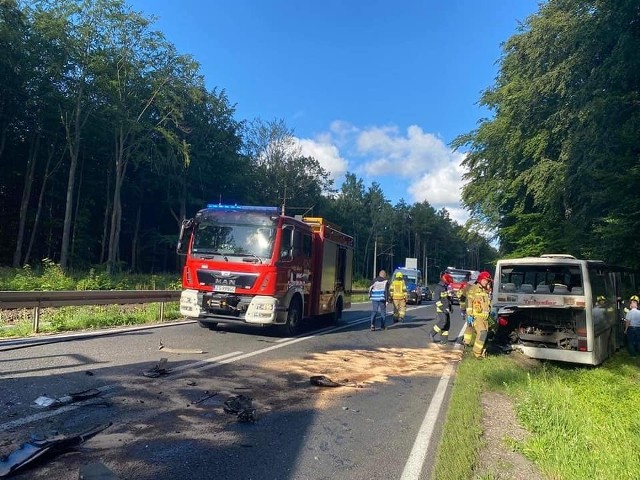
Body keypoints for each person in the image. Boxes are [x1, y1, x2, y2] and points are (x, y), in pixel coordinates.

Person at [466, 271, 492, 358]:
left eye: (487, 281)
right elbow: (469, 302)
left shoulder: (485, 290)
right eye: (485, 280)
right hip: (477, 317)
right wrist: (469, 314)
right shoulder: (473, 288)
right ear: (480, 279)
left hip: (485, 318)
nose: (486, 282)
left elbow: (487, 304)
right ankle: (477, 353)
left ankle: (482, 353)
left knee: (485, 335)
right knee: (482, 333)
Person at [429, 272, 454, 345]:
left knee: (447, 325)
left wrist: (450, 307)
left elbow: (447, 299)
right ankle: (432, 333)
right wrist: (443, 308)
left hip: (446, 309)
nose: (448, 284)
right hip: (441, 309)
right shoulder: (438, 287)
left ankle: (444, 341)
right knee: (443, 322)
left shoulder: (445, 287)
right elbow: (437, 300)